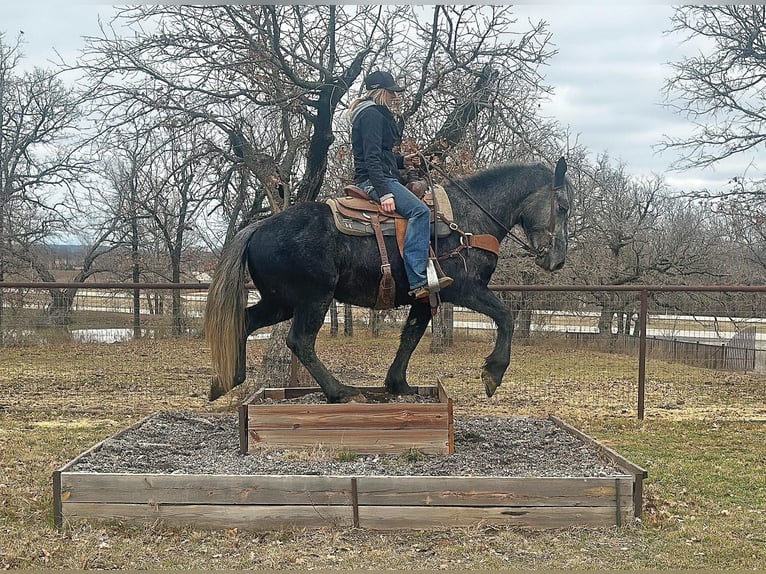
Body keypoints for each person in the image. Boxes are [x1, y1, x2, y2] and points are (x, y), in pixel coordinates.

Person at [347, 70, 452, 301]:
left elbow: (380, 155)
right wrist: (384, 193)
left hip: (381, 176)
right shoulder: (372, 115)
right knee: (419, 211)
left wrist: (403, 161)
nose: (394, 97)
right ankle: (418, 280)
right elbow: (372, 159)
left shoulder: (369, 113)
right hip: (375, 181)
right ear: (381, 92)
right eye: (391, 93)